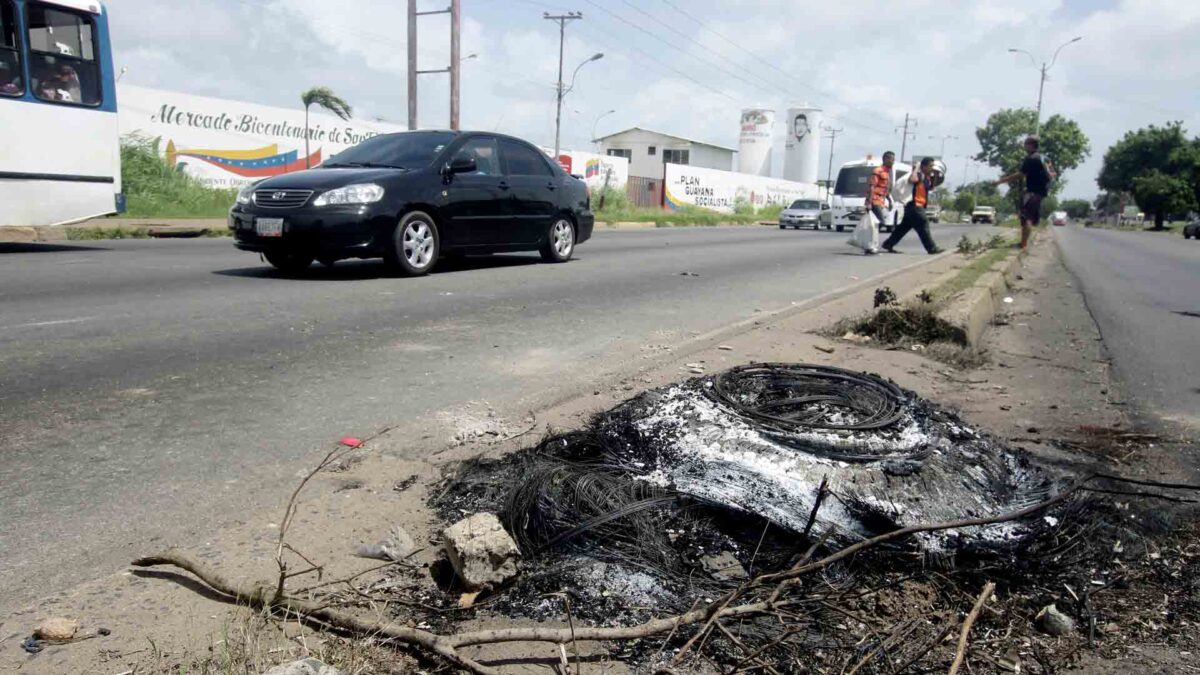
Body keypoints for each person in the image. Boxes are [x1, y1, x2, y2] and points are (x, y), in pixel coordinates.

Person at [996, 135, 1056, 251]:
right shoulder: (1045, 158)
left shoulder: (1031, 159)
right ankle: (1024, 243)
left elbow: (1020, 175)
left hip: (1032, 193)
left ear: (1031, 145)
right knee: (1030, 218)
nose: (1024, 146)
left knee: (1026, 218)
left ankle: (1023, 244)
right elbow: (1052, 174)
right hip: (1041, 193)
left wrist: (1000, 181)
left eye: (1026, 144)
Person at [881, 157, 944, 255]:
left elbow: (931, 187)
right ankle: (932, 248)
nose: (932, 168)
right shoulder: (918, 174)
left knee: (903, 228)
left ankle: (888, 244)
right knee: (923, 224)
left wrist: (936, 175)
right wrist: (916, 168)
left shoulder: (926, 178)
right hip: (915, 205)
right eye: (930, 166)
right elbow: (912, 179)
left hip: (917, 206)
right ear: (923, 167)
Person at [861, 151, 896, 255]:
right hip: (874, 200)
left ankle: (870, 246)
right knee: (879, 222)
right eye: (890, 159)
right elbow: (872, 186)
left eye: (893, 159)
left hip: (881, 201)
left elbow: (885, 189)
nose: (892, 161)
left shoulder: (887, 172)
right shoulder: (878, 171)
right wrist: (869, 202)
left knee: (877, 224)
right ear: (884, 159)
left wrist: (889, 201)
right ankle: (869, 246)